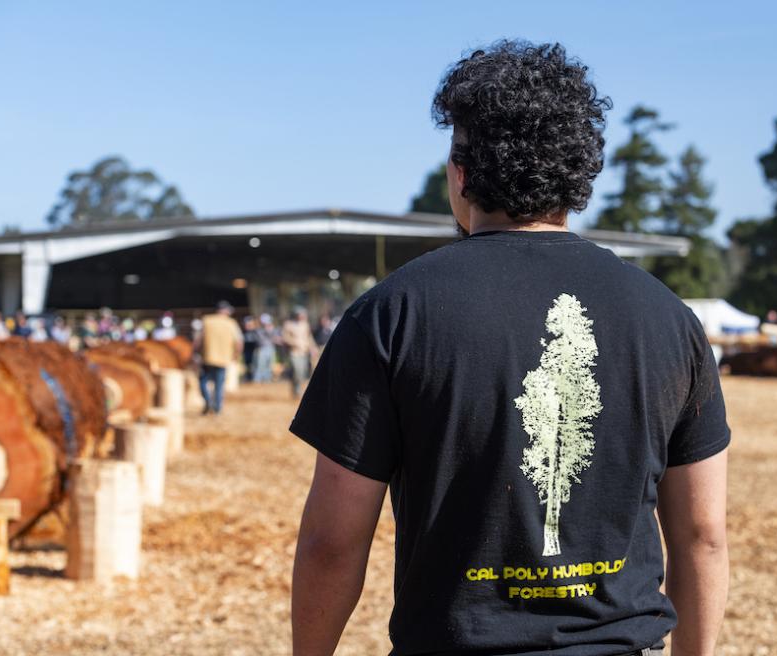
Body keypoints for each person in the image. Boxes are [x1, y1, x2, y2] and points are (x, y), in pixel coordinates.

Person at [290, 41, 730, 656]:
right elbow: (702, 535)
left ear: (462, 174)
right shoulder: (669, 319)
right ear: (580, 175)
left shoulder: (391, 313)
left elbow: (332, 542)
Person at [194, 300, 243, 415]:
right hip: (223, 359)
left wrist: (196, 353)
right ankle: (217, 408)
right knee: (219, 384)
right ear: (225, 311)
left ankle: (207, 401)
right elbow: (239, 342)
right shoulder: (231, 323)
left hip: (207, 357)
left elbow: (198, 340)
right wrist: (236, 355)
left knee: (203, 381)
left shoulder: (206, 320)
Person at [282, 307, 318, 396]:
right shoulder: (288, 325)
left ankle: (298, 389)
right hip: (294, 352)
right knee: (297, 371)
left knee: (302, 372)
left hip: (304, 352)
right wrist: (294, 343)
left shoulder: (305, 325)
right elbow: (285, 338)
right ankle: (296, 390)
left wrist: (313, 348)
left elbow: (309, 337)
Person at [252, 314, 278, 383]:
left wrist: (270, 329)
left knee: (269, 365)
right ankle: (257, 380)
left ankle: (267, 380)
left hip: (270, 348)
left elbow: (275, 337)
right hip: (261, 349)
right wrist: (267, 328)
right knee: (260, 365)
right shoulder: (258, 329)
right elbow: (261, 337)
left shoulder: (272, 328)